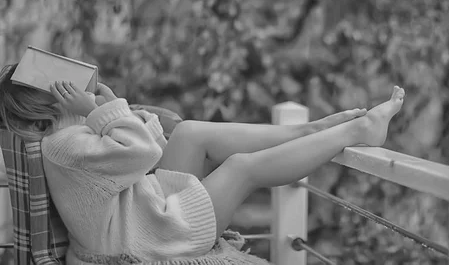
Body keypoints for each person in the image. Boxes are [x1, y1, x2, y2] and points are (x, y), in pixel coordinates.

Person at [0, 62, 405, 264]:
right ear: (51, 101)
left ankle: (309, 130)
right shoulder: (65, 144)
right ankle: (358, 132)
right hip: (143, 239)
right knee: (242, 168)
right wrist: (102, 113)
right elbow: (142, 154)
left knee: (191, 131)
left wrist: (107, 112)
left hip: (137, 214)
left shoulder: (69, 140)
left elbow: (153, 145)